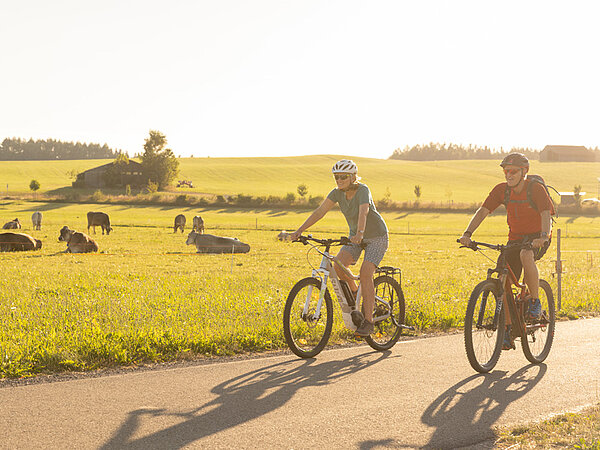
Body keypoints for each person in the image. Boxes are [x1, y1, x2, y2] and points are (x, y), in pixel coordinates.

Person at [458, 152, 554, 349]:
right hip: (515, 239)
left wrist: (543, 236)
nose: (508, 174)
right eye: (505, 171)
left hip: (538, 237)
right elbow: (483, 211)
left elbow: (546, 213)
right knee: (504, 280)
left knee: (526, 255)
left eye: (513, 171)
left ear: (524, 171)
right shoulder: (502, 191)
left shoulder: (535, 189)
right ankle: (508, 329)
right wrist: (467, 234)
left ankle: (535, 301)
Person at [290, 159, 389, 336]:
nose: (339, 180)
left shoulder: (363, 190)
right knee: (338, 266)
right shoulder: (336, 193)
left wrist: (360, 233)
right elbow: (319, 212)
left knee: (366, 273)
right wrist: (299, 230)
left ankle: (368, 321)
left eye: (343, 176)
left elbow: (364, 212)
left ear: (352, 177)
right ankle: (357, 294)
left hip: (376, 237)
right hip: (354, 237)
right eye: (336, 177)